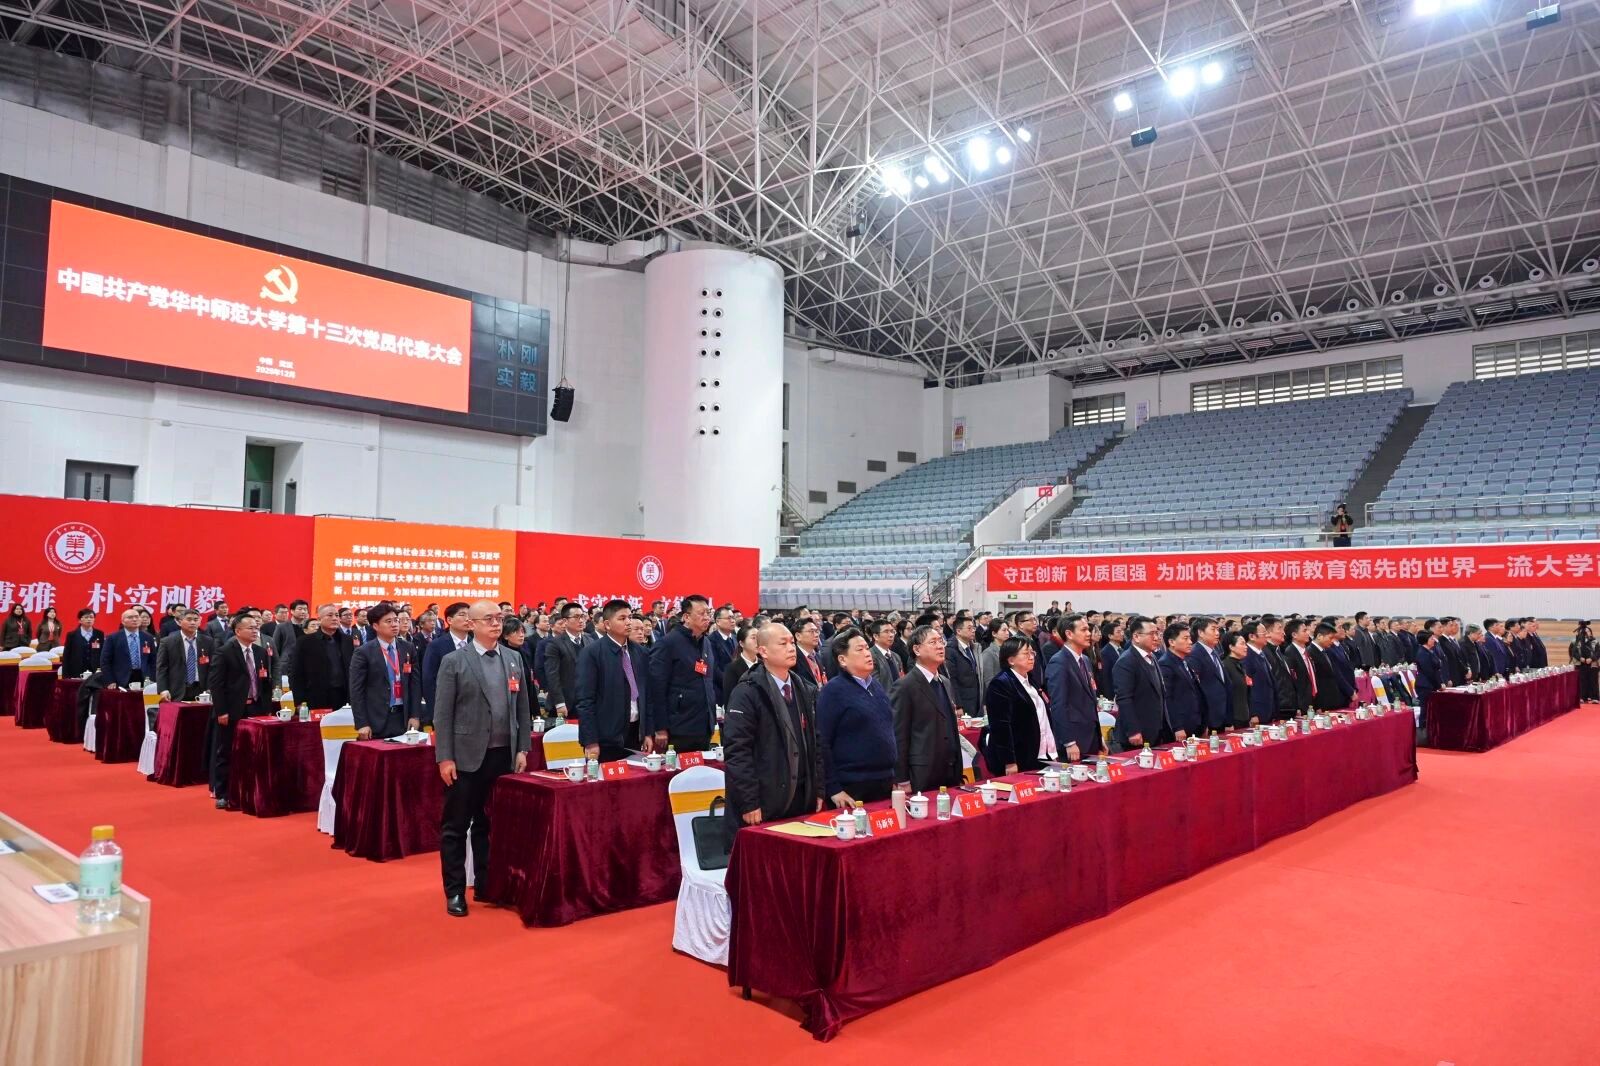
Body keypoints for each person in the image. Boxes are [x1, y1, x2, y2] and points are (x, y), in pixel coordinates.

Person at [433, 601, 531, 916]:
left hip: (503, 755)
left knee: (490, 825)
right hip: (465, 757)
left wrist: (523, 748)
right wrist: (445, 757)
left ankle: (487, 884)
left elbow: (523, 709)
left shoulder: (513, 658)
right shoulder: (454, 661)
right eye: (488, 619)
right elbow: (442, 714)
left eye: (499, 618)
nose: (496, 624)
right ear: (471, 624)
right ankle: (455, 891)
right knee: (456, 826)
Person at [723, 623, 824, 828]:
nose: (791, 648)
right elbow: (737, 751)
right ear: (763, 651)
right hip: (766, 799)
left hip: (803, 796)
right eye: (783, 643)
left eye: (792, 643)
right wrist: (749, 801)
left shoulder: (805, 689)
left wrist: (819, 789)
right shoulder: (747, 691)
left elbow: (817, 743)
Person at [815, 629, 897, 805]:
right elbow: (822, 742)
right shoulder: (833, 691)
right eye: (859, 649)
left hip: (885, 781)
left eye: (867, 648)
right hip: (852, 785)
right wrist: (833, 787)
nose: (867, 653)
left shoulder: (876, 686)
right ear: (842, 660)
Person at [207, 612, 271, 809]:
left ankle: (250, 790)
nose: (255, 631)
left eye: (256, 627)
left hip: (256, 707)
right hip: (232, 709)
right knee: (226, 751)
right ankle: (223, 793)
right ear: (237, 631)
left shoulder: (260, 651)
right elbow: (216, 684)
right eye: (250, 628)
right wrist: (221, 711)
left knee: (254, 751)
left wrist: (266, 708)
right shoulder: (224, 652)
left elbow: (265, 681)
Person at [576, 599, 652, 762]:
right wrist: (590, 741)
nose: (628, 622)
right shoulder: (592, 653)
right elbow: (585, 700)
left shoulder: (641, 652)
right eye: (622, 618)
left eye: (629, 617)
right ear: (607, 624)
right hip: (606, 736)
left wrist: (648, 732)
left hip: (635, 732)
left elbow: (647, 695)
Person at [890, 625, 963, 792]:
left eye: (941, 641)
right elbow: (899, 735)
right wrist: (902, 778)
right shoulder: (905, 686)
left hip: (950, 769)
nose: (940, 646)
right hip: (922, 772)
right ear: (917, 649)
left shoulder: (945, 681)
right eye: (933, 642)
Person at [647, 594, 717, 753]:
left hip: (704, 725)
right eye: (701, 613)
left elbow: (707, 680)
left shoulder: (706, 642)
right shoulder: (668, 643)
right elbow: (656, 688)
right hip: (679, 726)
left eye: (708, 613)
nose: (707, 617)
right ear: (686, 617)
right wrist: (660, 727)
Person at [985, 636, 1059, 773]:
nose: (1031, 657)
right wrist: (1009, 761)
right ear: (1011, 660)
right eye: (1026, 653)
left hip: (1040, 753)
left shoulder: (1031, 680)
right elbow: (1001, 726)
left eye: (1032, 653)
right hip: (1019, 757)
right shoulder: (1001, 683)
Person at [349, 602, 422, 739]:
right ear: (375, 626)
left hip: (404, 717)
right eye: (388, 621)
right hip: (376, 719)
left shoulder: (408, 648)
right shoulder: (363, 652)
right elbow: (356, 690)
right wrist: (362, 723)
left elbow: (415, 684)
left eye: (396, 620)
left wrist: (415, 715)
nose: (394, 625)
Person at [1044, 613, 1102, 762]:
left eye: (1088, 629)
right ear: (1069, 634)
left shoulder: (1085, 659)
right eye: (1083, 630)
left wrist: (1099, 736)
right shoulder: (1059, 662)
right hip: (1074, 739)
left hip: (1091, 735)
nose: (1089, 633)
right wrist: (1069, 741)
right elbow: (1058, 705)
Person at [1113, 617, 1168, 750]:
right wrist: (1133, 730)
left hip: (1156, 729)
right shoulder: (1126, 661)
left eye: (1157, 633)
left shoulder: (1152, 656)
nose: (1156, 638)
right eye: (1152, 634)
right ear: (1136, 637)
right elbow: (1124, 699)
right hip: (1138, 733)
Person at [291, 604, 355, 710]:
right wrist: (299, 701)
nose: (334, 618)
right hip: (316, 697)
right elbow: (296, 673)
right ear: (319, 620)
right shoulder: (305, 641)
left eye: (336, 615)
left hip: (344, 696)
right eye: (330, 615)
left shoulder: (347, 640)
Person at [1156, 622, 1203, 742]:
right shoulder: (1165, 663)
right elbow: (1167, 699)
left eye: (1190, 638)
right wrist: (1177, 726)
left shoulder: (1185, 661)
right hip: (1180, 727)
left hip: (1194, 722)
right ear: (1172, 642)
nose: (1190, 642)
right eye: (1185, 638)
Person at [422, 601, 473, 709]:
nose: (467, 619)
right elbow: (429, 681)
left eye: (469, 615)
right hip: (446, 706)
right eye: (462, 615)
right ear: (449, 620)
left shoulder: (476, 644)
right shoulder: (436, 646)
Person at [155, 609, 214, 702]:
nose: (193, 622)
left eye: (196, 620)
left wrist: (211, 687)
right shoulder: (167, 642)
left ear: (199, 622)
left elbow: (212, 667)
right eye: (189, 619)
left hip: (202, 690)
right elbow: (162, 668)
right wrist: (163, 689)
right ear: (179, 622)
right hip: (176, 690)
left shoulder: (208, 641)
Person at [1185, 616, 1229, 735]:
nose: (1217, 633)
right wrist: (1202, 722)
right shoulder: (1194, 654)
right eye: (1213, 629)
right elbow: (1195, 690)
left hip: (1221, 715)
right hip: (1207, 718)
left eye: (1218, 629)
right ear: (1201, 633)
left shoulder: (1214, 651)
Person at [542, 603, 586, 720]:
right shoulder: (554, 643)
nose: (581, 620)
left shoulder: (590, 640)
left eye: (582, 616)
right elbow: (552, 675)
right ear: (565, 621)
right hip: (565, 703)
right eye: (576, 617)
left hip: (586, 702)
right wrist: (559, 703)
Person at [100, 608, 158, 688]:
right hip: (120, 679)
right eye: (130, 617)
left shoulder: (148, 637)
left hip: (144, 678)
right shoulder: (113, 638)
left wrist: (153, 678)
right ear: (123, 621)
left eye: (137, 617)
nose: (134, 619)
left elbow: (153, 660)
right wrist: (110, 680)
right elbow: (105, 661)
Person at [1309, 623, 1354, 710]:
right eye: (1330, 638)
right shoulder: (1311, 652)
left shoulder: (1325, 651)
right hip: (1321, 702)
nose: (1332, 641)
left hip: (1332, 699)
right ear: (1319, 636)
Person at [722, 624, 760, 707]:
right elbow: (729, 698)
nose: (758, 641)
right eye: (753, 638)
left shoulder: (764, 665)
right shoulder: (732, 668)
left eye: (759, 637)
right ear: (742, 643)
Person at [1221, 631, 1252, 728]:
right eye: (1242, 644)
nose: (1246, 647)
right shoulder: (1225, 665)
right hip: (1233, 719)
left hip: (1244, 716)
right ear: (1231, 647)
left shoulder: (1240, 664)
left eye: (1246, 644)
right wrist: (1228, 722)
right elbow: (1225, 695)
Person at [273, 600, 311, 678]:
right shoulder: (281, 627)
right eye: (300, 609)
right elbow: (275, 648)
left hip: (308, 664)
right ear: (292, 611)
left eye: (305, 609)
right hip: (287, 665)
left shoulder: (311, 627)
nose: (303, 611)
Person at [708, 606, 738, 702]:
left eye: (733, 617)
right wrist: (730, 683)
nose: (732, 621)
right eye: (729, 618)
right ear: (718, 621)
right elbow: (714, 668)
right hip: (720, 689)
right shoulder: (711, 640)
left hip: (737, 688)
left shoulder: (736, 638)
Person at [63, 609, 104, 678]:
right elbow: (66, 656)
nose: (89, 619)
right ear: (79, 620)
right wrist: (65, 676)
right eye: (86, 617)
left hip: (95, 671)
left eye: (91, 617)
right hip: (76, 671)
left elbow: (102, 653)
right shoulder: (72, 635)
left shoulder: (99, 634)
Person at [792, 616, 829, 690]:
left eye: (817, 631)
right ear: (798, 636)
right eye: (811, 631)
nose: (816, 635)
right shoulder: (793, 658)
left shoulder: (818, 655)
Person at [977, 619, 1011, 695]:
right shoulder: (988, 653)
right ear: (994, 634)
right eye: (1004, 630)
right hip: (999, 693)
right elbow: (988, 681)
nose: (1007, 633)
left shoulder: (1009, 650)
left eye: (1008, 630)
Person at [1414, 627, 1444, 713]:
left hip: (1431, 684)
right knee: (1425, 710)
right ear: (1425, 640)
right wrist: (1439, 685)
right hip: (1425, 685)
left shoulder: (1430, 651)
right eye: (1431, 638)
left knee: (1430, 710)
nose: (1434, 640)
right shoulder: (1422, 653)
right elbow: (1429, 672)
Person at [868, 619, 903, 690]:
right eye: (886, 632)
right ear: (876, 636)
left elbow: (901, 678)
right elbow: (876, 685)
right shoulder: (870, 656)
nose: (891, 635)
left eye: (892, 631)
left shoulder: (896, 656)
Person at [1569, 622, 1598, 703]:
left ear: (1591, 633)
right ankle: (1582, 697)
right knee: (1582, 681)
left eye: (1588, 631)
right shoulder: (1575, 641)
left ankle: (1594, 697)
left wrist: (1591, 658)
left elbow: (1598, 652)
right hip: (1580, 664)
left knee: (1593, 681)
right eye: (1584, 631)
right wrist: (1580, 658)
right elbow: (1573, 652)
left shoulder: (1595, 641)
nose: (1586, 633)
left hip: (1592, 663)